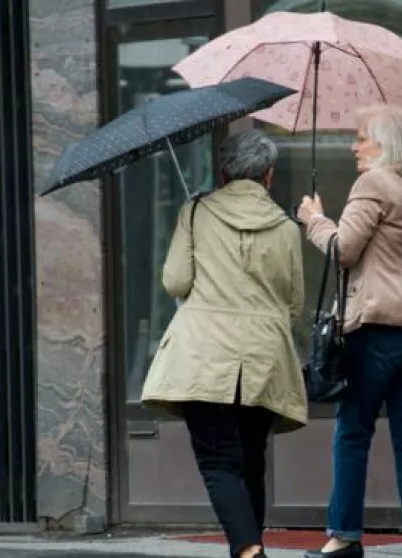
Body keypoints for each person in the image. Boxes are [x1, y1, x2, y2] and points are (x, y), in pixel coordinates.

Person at [296, 104, 402, 558]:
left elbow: (343, 248)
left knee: (352, 431)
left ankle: (343, 537)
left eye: (361, 136)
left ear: (384, 143)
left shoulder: (372, 183)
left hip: (377, 328)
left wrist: (313, 220)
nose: (354, 145)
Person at [141, 130, 307, 558]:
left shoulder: (195, 211)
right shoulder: (287, 229)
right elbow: (294, 304)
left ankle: (249, 550)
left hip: (204, 355)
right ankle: (250, 547)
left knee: (218, 461)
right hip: (264, 358)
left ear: (223, 171)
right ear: (269, 176)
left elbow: (175, 280)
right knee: (251, 460)